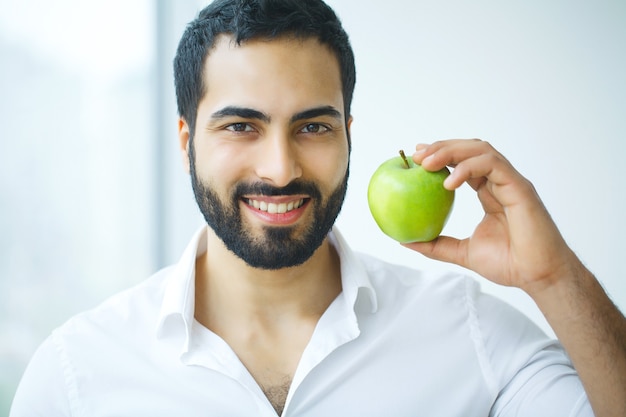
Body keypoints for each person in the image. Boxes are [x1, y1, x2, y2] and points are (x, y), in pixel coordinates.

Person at [11, 0, 626, 415]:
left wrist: (554, 276)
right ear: (185, 140)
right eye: (241, 127)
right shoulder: (74, 375)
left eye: (312, 128)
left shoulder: (470, 334)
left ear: (349, 134)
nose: (280, 169)